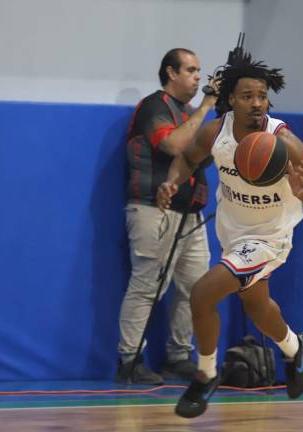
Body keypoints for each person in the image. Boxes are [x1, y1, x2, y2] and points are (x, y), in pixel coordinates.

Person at [156, 45, 303, 418]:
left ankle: (206, 374)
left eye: (262, 96)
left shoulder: (284, 142)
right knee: (257, 308)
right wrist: (172, 182)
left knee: (202, 293)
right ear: (231, 99)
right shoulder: (215, 132)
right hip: (233, 234)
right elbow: (187, 158)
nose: (257, 103)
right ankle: (295, 347)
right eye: (247, 96)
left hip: (270, 238)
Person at [116, 48, 220, 385]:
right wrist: (205, 106)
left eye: (199, 71)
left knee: (196, 288)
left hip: (190, 214)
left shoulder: (188, 114)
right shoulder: (154, 106)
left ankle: (179, 356)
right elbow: (173, 146)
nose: (198, 77)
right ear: (171, 73)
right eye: (190, 70)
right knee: (147, 286)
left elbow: (201, 156)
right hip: (153, 208)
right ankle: (130, 360)